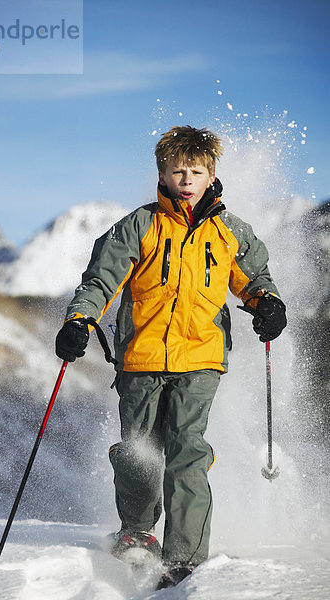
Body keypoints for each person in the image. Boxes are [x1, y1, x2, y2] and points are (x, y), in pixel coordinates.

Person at [55, 125, 287, 588]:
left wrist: (268, 304)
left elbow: (254, 277)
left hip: (201, 360)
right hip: (141, 359)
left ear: (211, 175)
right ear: (160, 171)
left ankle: (185, 558)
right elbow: (101, 281)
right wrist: (79, 320)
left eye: (196, 171)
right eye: (177, 169)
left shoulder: (228, 232)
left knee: (187, 451)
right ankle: (138, 533)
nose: (186, 178)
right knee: (140, 452)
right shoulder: (138, 226)